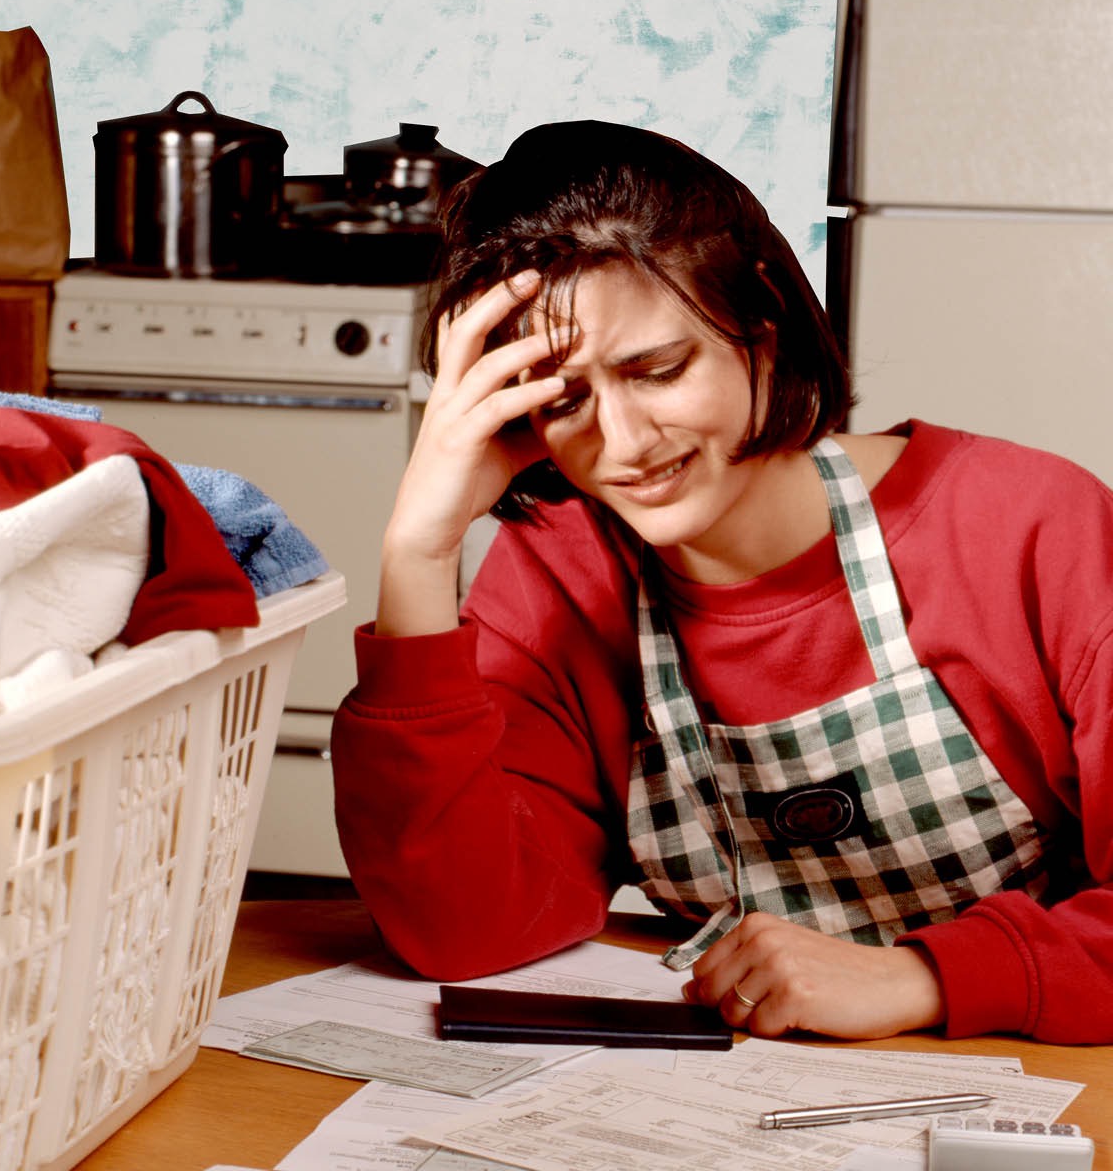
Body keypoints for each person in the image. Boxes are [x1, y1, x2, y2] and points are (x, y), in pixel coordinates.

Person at [330, 119, 1113, 1045]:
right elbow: (462, 927)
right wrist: (419, 551)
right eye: (562, 399)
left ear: (763, 328)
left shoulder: (1027, 528)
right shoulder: (559, 572)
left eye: (656, 370)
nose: (621, 445)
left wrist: (920, 980)